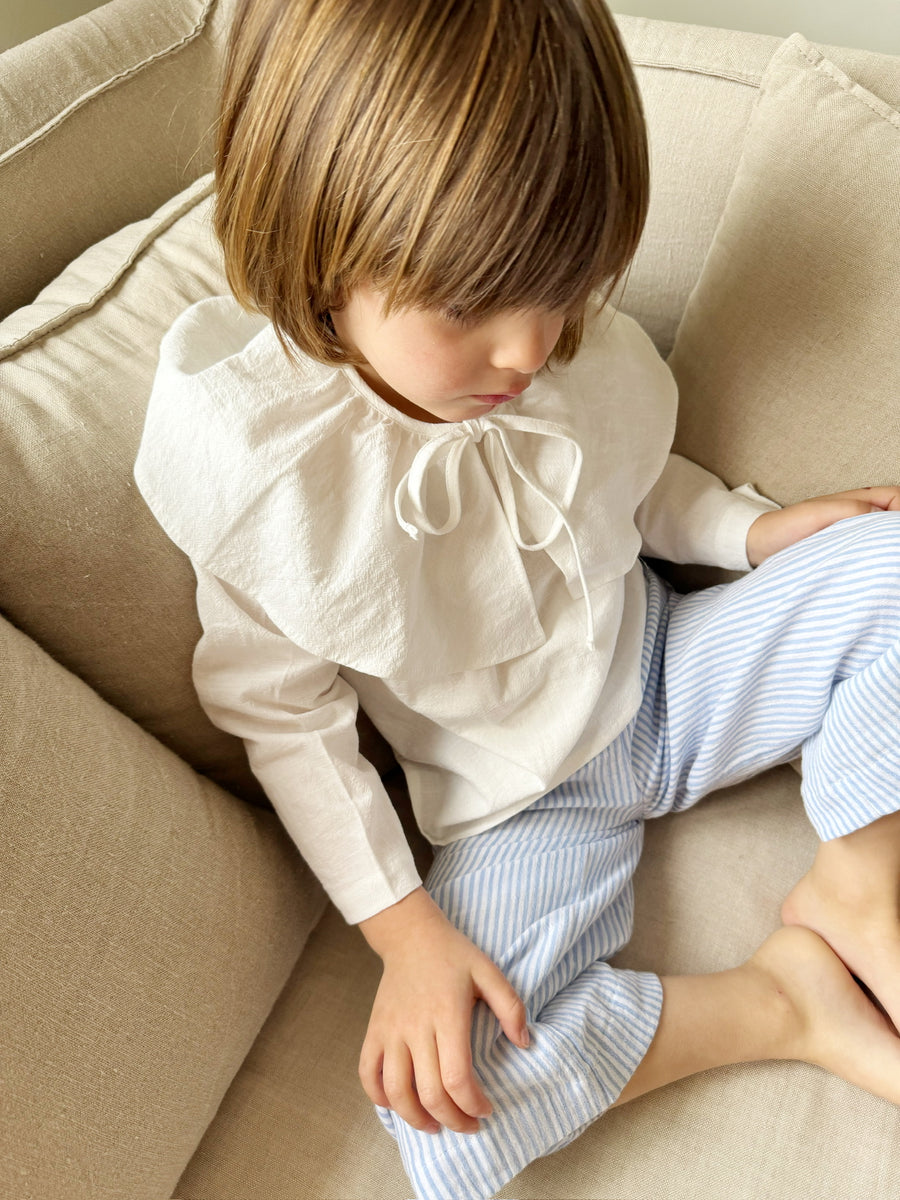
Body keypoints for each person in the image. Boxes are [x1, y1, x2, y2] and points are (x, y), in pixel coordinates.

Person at [135, 0, 900, 1196]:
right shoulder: (268, 479)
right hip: (516, 805)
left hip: (665, 669)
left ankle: (859, 883)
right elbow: (288, 723)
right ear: (324, 260)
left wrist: (751, 532)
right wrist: (407, 935)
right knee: (445, 1122)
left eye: (568, 293)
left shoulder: (546, 349)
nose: (532, 350)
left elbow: (625, 479)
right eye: (474, 312)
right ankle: (782, 1006)